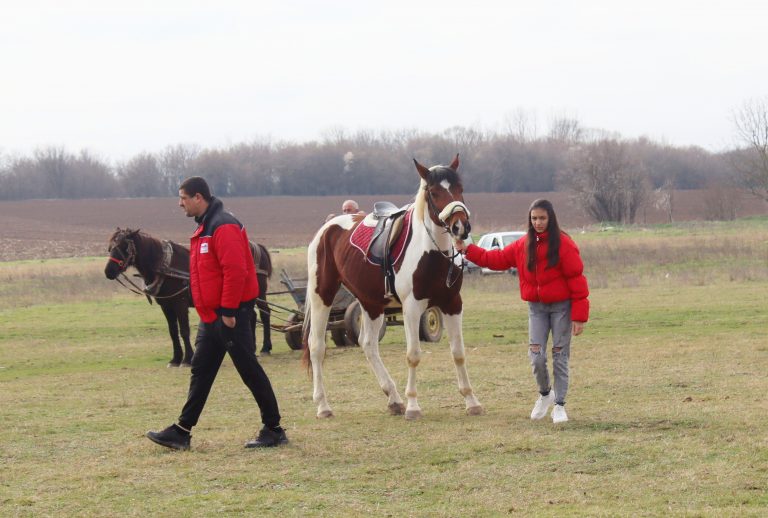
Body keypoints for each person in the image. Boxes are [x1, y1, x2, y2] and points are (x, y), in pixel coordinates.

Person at [146, 176, 287, 450]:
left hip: (229, 316)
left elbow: (236, 271)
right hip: (211, 317)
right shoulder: (205, 228)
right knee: (201, 370)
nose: (180, 204)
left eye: (183, 198)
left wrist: (229, 310)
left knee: (249, 370)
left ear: (198, 197)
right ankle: (181, 431)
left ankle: (274, 429)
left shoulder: (223, 226)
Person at [456, 199, 589, 424]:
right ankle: (546, 395)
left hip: (561, 309)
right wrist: (469, 250)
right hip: (536, 309)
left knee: (559, 356)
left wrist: (579, 316)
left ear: (551, 218)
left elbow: (576, 278)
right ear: (530, 219)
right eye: (534, 218)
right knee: (536, 357)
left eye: (542, 218)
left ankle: (560, 405)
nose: (538, 222)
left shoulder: (564, 244)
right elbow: (494, 259)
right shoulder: (522, 245)